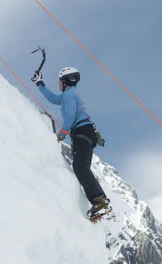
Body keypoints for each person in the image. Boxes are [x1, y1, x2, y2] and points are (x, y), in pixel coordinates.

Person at [32, 67, 110, 218]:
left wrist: (62, 133)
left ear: (65, 81)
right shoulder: (69, 94)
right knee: (82, 167)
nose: (59, 84)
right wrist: (39, 83)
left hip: (81, 131)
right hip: (85, 132)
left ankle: (99, 201)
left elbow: (70, 116)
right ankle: (98, 201)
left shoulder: (69, 95)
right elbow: (53, 99)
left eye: (60, 81)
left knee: (80, 167)